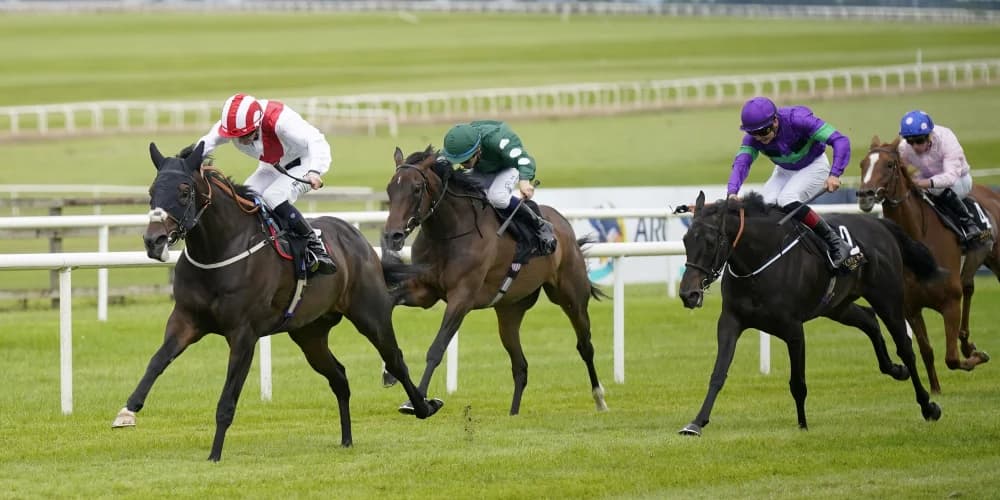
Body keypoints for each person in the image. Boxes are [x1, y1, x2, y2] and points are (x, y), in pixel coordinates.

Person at [196, 93, 336, 274]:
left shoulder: (280, 120)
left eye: (245, 135)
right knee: (244, 198)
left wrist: (314, 171)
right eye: (235, 137)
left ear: (257, 123)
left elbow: (315, 140)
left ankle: (315, 246)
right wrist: (186, 163)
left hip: (307, 162)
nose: (240, 141)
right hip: (274, 163)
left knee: (273, 196)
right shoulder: (233, 125)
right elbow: (206, 142)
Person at [727, 96, 858, 270]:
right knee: (762, 207)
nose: (760, 138)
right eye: (754, 134)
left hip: (815, 165)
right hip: (784, 171)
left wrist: (835, 173)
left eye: (764, 131)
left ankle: (837, 243)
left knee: (786, 199)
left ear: (775, 120)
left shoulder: (799, 120)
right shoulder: (753, 138)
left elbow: (840, 140)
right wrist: (732, 192)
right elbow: (742, 163)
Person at [440, 120, 557, 255]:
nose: (462, 165)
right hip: (483, 168)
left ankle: (539, 224)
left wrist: (524, 181)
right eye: (459, 162)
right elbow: (441, 160)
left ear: (478, 149)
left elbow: (524, 160)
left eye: (466, 161)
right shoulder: (460, 145)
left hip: (508, 167)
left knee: (497, 197)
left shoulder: (498, 139)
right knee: (462, 190)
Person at [897, 110, 983, 246]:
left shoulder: (946, 139)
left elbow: (950, 177)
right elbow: (899, 170)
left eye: (919, 141)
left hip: (959, 180)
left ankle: (969, 223)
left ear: (929, 135)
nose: (915, 147)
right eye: (910, 141)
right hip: (929, 178)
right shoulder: (904, 147)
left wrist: (922, 183)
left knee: (936, 189)